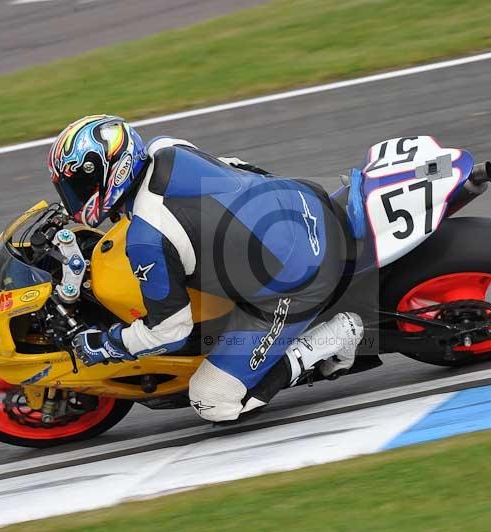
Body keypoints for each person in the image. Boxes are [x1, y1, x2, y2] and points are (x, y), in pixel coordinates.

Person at [48, 115, 363, 422]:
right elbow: (238, 167)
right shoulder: (166, 147)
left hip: (302, 278)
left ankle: (331, 337)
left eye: (78, 187)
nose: (75, 199)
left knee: (211, 400)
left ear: (113, 174)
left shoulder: (147, 237)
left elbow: (170, 332)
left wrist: (107, 344)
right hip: (302, 200)